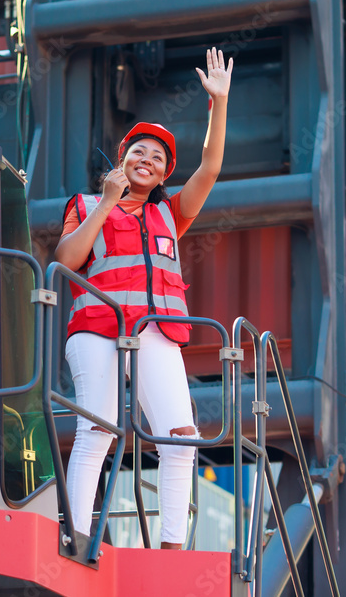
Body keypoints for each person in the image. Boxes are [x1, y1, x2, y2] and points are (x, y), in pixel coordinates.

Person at [55, 47, 233, 549]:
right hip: (97, 330)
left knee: (181, 438)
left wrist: (218, 104)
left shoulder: (171, 215)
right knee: (99, 431)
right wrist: (108, 201)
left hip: (155, 333)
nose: (148, 161)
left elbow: (211, 167)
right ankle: (77, 538)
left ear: (163, 174)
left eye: (158, 158)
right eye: (139, 152)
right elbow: (67, 259)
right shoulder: (87, 203)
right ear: (122, 159)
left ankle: (173, 549)